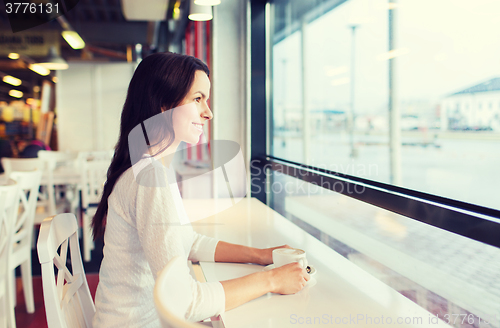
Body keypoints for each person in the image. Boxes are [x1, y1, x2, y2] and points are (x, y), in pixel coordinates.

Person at [91, 52, 310, 327]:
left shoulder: (151, 168)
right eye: (197, 99)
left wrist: (261, 255)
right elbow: (183, 301)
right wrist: (271, 280)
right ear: (163, 105)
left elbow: (189, 242)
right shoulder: (149, 177)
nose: (208, 112)